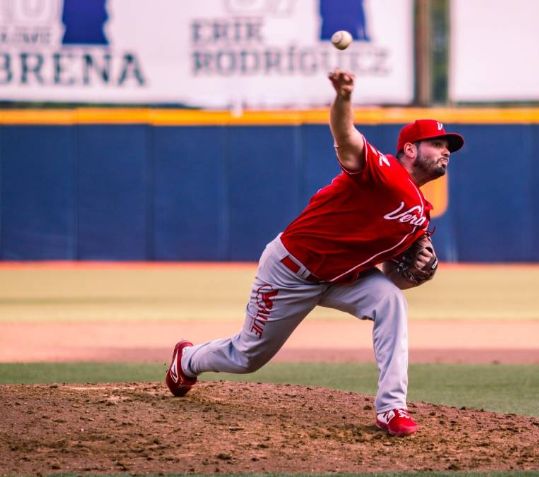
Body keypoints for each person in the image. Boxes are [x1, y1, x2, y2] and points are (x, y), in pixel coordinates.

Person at [165, 69, 464, 437]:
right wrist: (343, 97)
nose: (446, 150)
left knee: (390, 302)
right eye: (437, 143)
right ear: (409, 149)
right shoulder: (382, 172)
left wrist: (419, 275)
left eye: (448, 146)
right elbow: (346, 136)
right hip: (291, 271)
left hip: (342, 278)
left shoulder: (419, 215)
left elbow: (394, 277)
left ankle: (392, 408)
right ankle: (188, 358)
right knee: (247, 356)